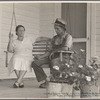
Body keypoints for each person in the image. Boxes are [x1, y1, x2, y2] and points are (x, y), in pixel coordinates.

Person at [32, 18, 73, 88]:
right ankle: (46, 81)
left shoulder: (68, 37)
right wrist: (40, 57)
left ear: (63, 29)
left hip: (63, 57)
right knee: (35, 63)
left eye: (58, 29)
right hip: (52, 57)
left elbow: (66, 48)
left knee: (54, 62)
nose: (56, 31)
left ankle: (54, 81)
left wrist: (54, 51)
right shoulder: (54, 38)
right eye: (55, 29)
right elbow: (49, 51)